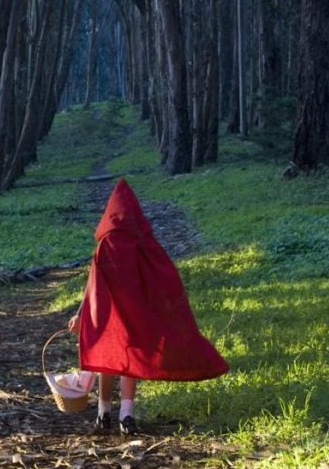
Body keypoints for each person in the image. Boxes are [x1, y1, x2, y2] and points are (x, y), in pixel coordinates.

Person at [67, 178, 229, 434]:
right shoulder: (142, 244)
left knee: (106, 362)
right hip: (132, 315)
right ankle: (125, 414)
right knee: (130, 359)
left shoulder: (106, 245)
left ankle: (104, 413)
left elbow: (92, 285)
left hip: (107, 317)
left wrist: (81, 315)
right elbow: (161, 277)